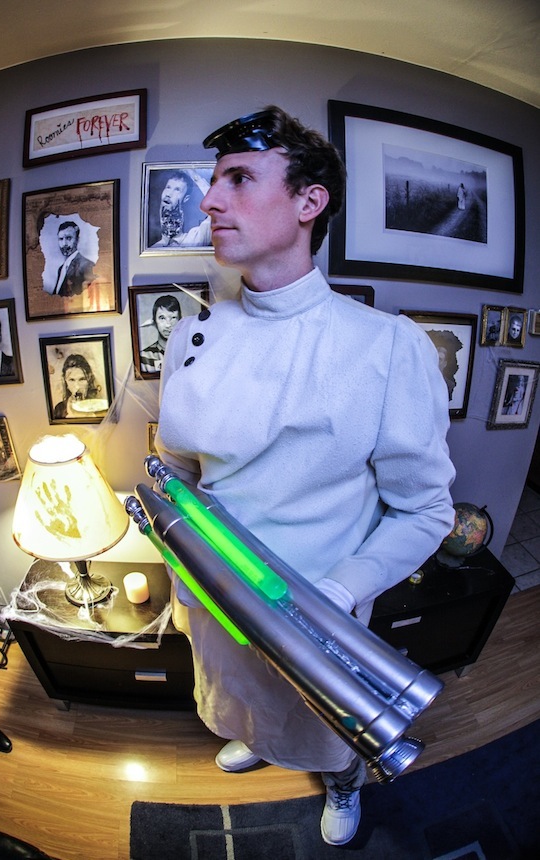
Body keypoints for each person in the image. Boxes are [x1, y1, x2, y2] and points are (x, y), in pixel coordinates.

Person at [155, 106, 455, 847]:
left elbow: (425, 511)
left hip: (321, 613)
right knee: (244, 701)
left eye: (238, 179)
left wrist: (339, 593)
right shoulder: (191, 337)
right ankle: (259, 739)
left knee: (328, 726)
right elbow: (181, 467)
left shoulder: (385, 347)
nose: (209, 200)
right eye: (214, 181)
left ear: (309, 202)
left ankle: (343, 779)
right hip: (220, 598)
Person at [153, 169, 211, 247]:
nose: (168, 194)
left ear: (186, 198)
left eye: (177, 189)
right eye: (168, 187)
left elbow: (216, 206)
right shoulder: (154, 248)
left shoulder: (195, 239)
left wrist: (193, 174)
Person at [140, 295, 182, 373]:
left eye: (173, 318)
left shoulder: (188, 352)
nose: (168, 325)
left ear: (180, 320)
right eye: (162, 318)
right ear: (154, 321)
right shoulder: (144, 356)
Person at [52, 221, 95, 296]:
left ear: (77, 240)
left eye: (68, 238)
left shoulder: (86, 265)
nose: (64, 244)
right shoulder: (61, 268)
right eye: (61, 239)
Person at [54, 353, 99, 418]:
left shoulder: (98, 408)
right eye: (72, 380)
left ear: (88, 380)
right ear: (65, 382)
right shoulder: (59, 409)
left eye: (82, 379)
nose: (77, 386)